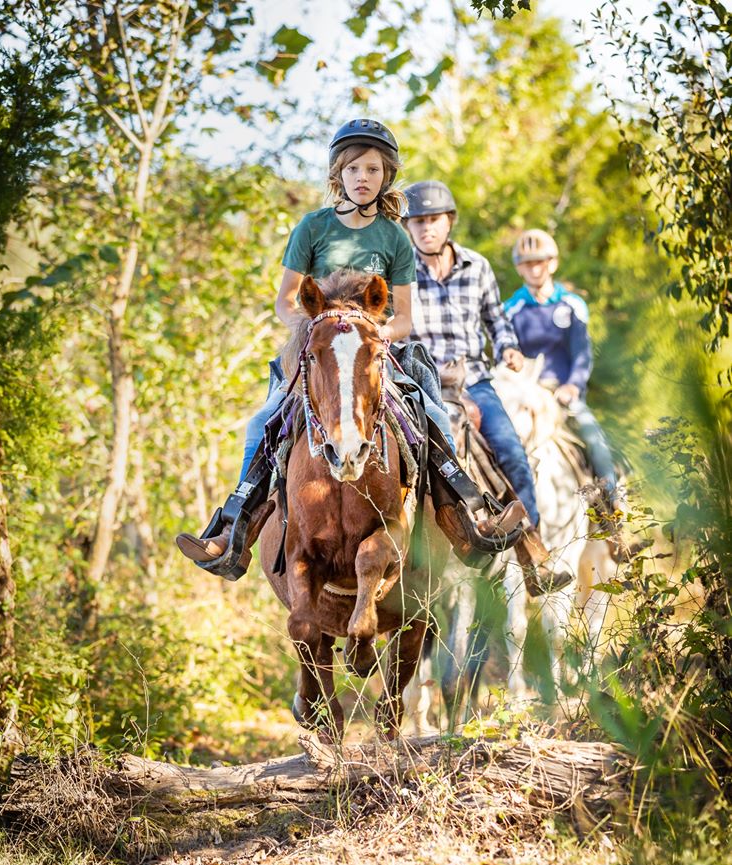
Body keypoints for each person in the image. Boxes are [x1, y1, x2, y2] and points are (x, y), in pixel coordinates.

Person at [175, 120, 523, 580]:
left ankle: (468, 516)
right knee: (263, 421)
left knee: (435, 414)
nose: (363, 177)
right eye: (354, 168)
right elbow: (285, 301)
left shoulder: (395, 237)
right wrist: (312, 330)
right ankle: (232, 530)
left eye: (373, 170)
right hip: (319, 353)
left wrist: (372, 335)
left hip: (373, 353)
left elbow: (404, 318)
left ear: (386, 176)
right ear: (338, 173)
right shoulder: (312, 227)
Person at [402, 180, 573, 595]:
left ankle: (534, 556)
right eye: (418, 221)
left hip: (474, 380)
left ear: (449, 222)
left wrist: (509, 348)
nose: (427, 228)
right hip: (420, 384)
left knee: (513, 454)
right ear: (408, 227)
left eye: (434, 220)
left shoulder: (476, 266)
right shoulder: (400, 272)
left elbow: (497, 320)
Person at [505, 228, 651, 561]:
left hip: (564, 394)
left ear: (552, 263)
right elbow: (509, 354)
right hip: (528, 395)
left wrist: (573, 386)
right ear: (519, 268)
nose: (534, 268)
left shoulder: (571, 305)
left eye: (540, 262)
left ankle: (617, 524)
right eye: (527, 263)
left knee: (596, 442)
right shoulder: (511, 309)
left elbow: (582, 353)